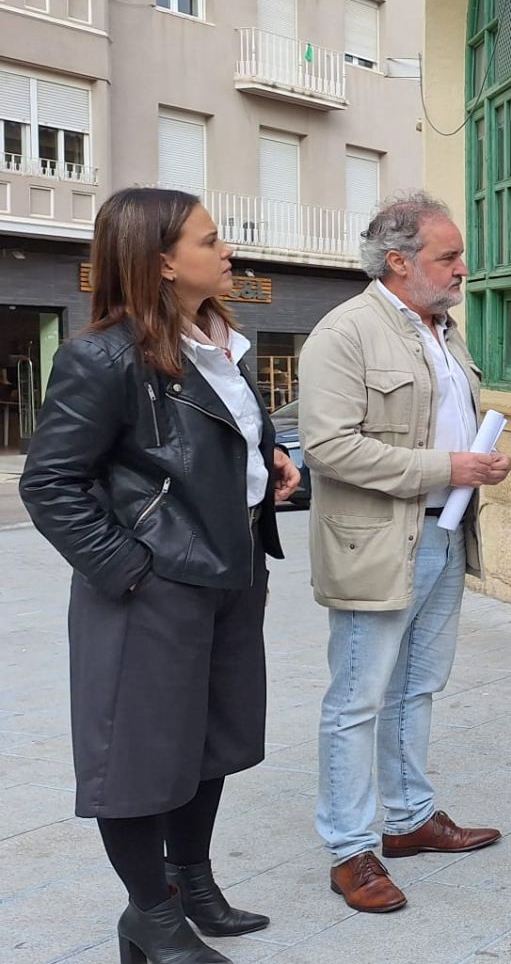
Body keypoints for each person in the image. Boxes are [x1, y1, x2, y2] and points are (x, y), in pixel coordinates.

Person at [22, 188, 300, 964]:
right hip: (155, 589)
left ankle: (191, 881)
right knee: (140, 760)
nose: (227, 251)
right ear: (163, 261)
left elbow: (212, 443)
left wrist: (265, 462)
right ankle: (151, 915)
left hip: (231, 572)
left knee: (207, 742)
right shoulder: (102, 357)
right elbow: (48, 483)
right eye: (211, 241)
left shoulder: (218, 342)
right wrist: (131, 571)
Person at [300, 193, 511, 913]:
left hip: (445, 533)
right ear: (399, 261)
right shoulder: (345, 332)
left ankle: (410, 819)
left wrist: (474, 464)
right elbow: (327, 446)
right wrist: (445, 468)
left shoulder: (445, 330)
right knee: (358, 699)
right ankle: (349, 849)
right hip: (376, 543)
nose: (463, 268)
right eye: (448, 256)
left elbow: (443, 425)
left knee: (418, 686)